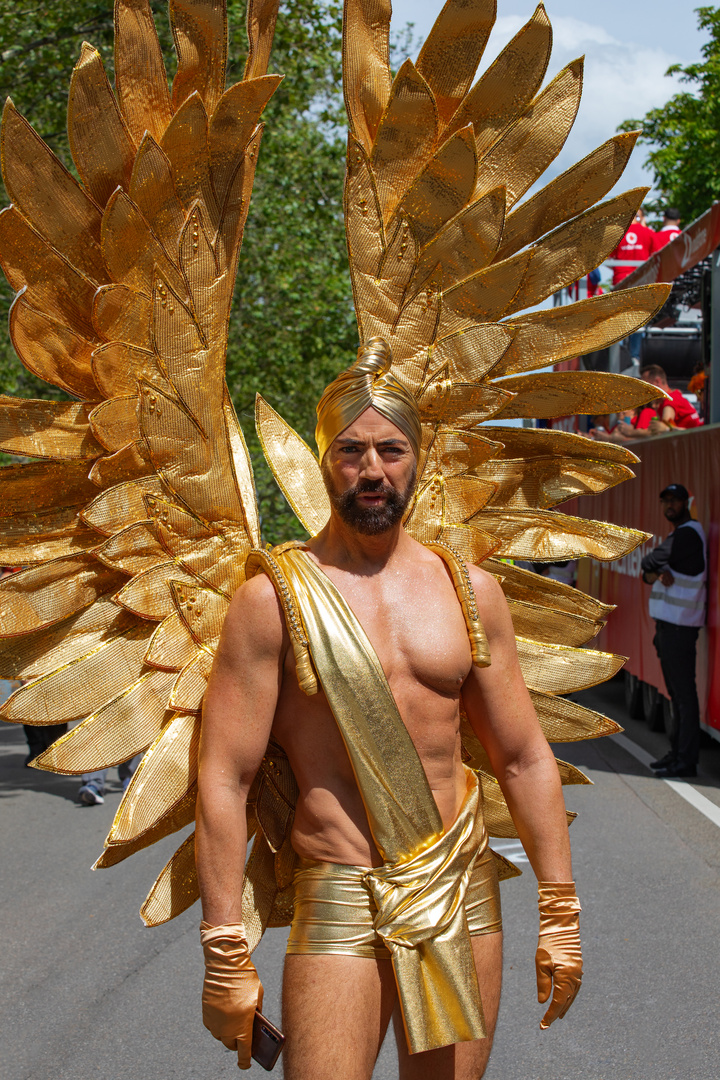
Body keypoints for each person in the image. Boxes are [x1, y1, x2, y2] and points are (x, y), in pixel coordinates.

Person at [195, 342, 583, 1078]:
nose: (372, 469)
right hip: (342, 892)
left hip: (458, 889)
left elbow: (524, 756)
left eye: (390, 450)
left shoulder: (469, 593)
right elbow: (224, 777)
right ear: (323, 460)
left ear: (418, 462)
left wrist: (560, 911)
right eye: (351, 451)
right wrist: (224, 947)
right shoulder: (271, 600)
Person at [640, 484, 706, 778]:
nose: (670, 505)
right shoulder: (678, 536)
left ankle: (686, 760)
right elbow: (647, 574)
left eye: (675, 500)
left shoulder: (689, 533)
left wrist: (656, 569)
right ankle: (677, 753)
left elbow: (648, 562)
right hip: (670, 627)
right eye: (665, 500)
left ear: (685, 503)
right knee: (676, 695)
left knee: (683, 696)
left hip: (681, 628)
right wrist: (656, 571)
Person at [608, 208, 654, 285]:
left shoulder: (617, 234)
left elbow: (606, 258)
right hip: (642, 276)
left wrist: (618, 268)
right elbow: (657, 253)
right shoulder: (648, 232)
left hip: (621, 277)